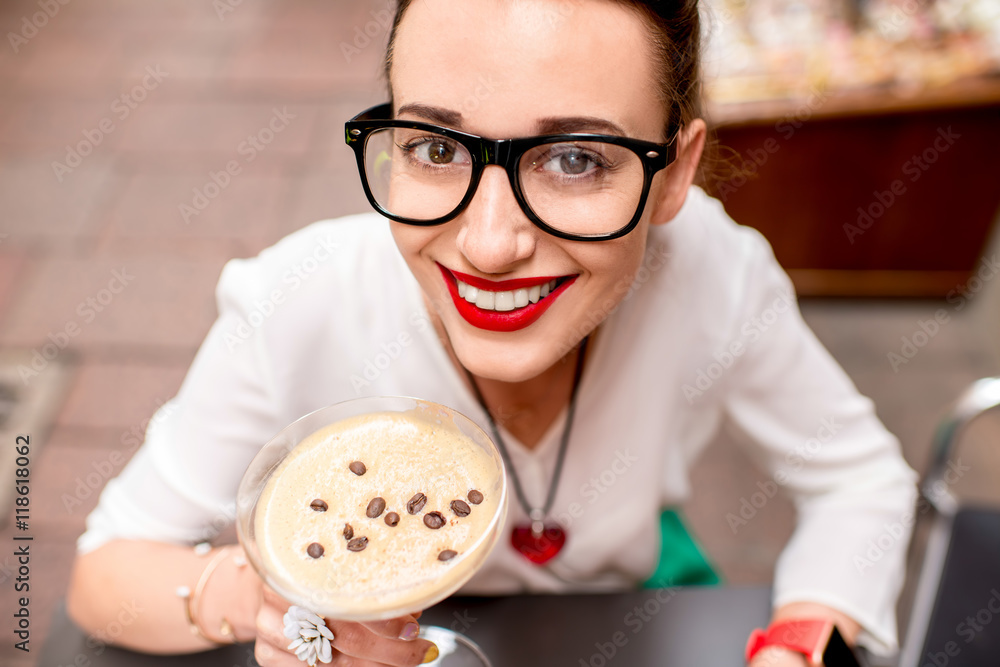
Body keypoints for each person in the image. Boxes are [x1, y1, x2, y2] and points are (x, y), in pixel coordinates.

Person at [66, 1, 919, 665]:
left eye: (576, 158)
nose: (489, 244)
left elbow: (860, 478)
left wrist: (806, 632)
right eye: (436, 147)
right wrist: (250, 598)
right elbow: (105, 573)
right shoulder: (296, 300)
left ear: (675, 174)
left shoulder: (714, 272)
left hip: (629, 599)